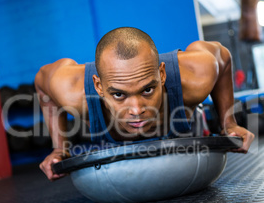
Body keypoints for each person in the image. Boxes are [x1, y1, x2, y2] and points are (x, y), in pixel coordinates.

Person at [35, 27, 255, 181]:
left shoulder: (196, 76)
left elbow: (223, 57)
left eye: (147, 90)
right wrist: (59, 148)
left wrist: (229, 123)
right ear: (99, 87)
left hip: (185, 119)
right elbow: (42, 81)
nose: (137, 110)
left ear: (161, 74)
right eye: (119, 95)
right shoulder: (72, 92)